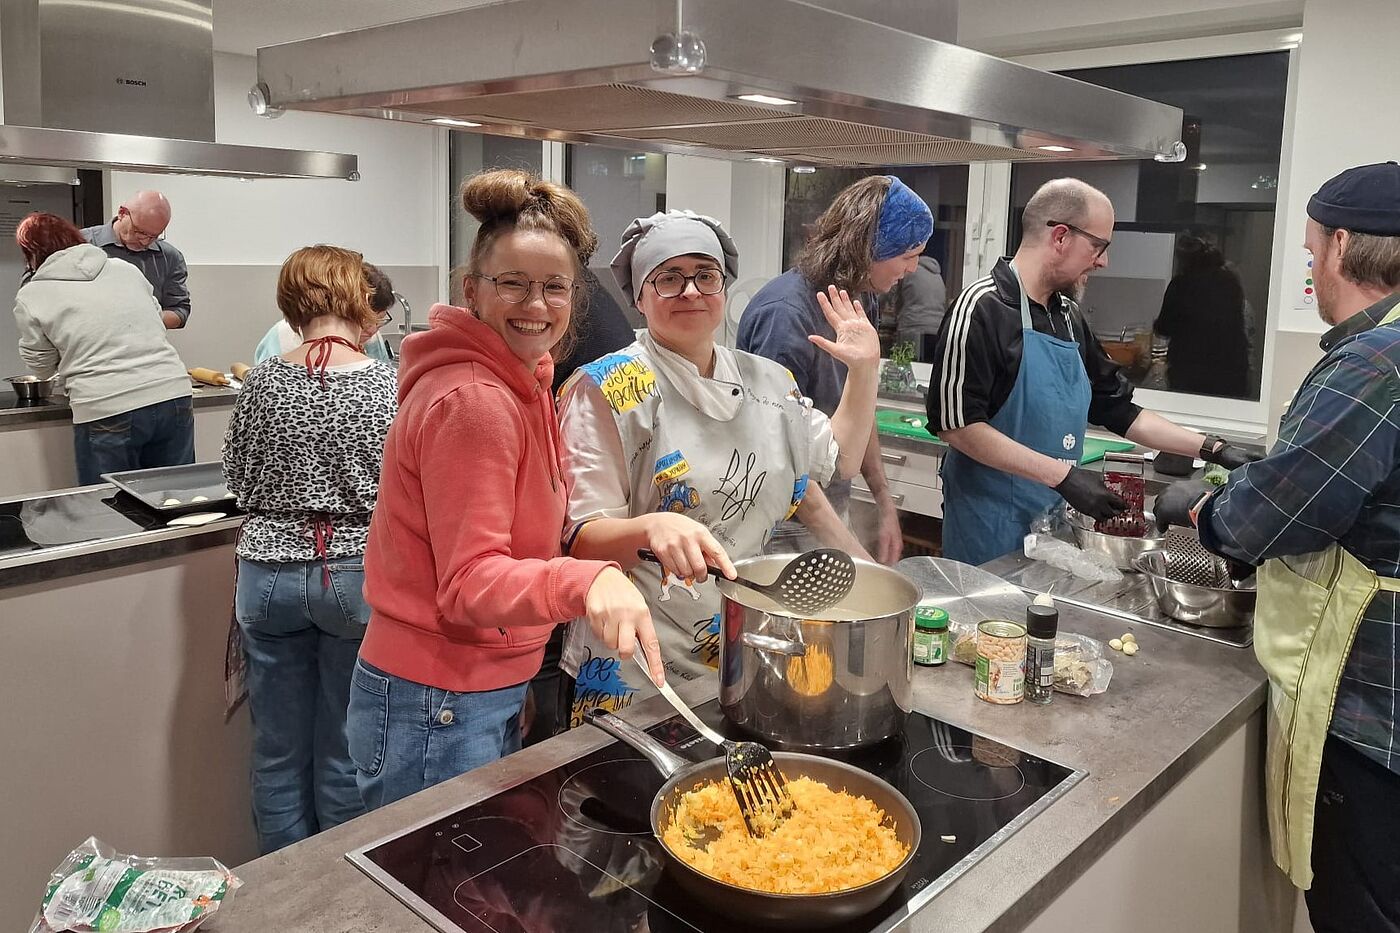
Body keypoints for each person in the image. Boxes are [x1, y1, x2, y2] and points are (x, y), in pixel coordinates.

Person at [348, 169, 659, 810]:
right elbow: (469, 584)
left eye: (554, 287)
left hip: (466, 685)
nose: (536, 306)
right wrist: (588, 580)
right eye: (512, 284)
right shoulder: (476, 400)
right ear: (473, 290)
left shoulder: (525, 381)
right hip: (435, 697)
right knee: (435, 901)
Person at [1155, 162, 1400, 933]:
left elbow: (1276, 516)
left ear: (1343, 245)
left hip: (1370, 703)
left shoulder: (1375, 362)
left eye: (1309, 252)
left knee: (1361, 908)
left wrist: (1201, 508)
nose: (1310, 270)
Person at [557, 209, 879, 716]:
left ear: (723, 288)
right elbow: (579, 537)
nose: (690, 291)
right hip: (635, 654)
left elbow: (838, 460)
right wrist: (652, 527)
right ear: (640, 297)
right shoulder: (610, 388)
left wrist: (864, 373)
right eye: (668, 278)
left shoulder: (770, 382)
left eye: (705, 275)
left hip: (740, 634)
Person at [924, 178, 1256, 566]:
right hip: (988, 520)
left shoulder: (1068, 317)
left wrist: (1213, 448)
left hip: (1050, 519)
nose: (1103, 261)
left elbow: (1117, 409)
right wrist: (1063, 477)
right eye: (1098, 246)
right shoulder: (982, 308)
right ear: (1061, 236)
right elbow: (957, 426)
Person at [221, 245, 397, 853]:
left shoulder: (263, 378)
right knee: (345, 747)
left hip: (266, 574)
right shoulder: (387, 384)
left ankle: (282, 893)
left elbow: (238, 479)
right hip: (355, 576)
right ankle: (336, 893)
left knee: (275, 750)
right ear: (357, 299)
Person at [738, 175, 933, 563]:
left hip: (831, 512)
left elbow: (861, 407)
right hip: (780, 525)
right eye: (909, 255)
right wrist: (857, 558)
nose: (914, 269)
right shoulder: (786, 317)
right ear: (872, 247)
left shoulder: (858, 302)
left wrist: (884, 502)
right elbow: (784, 464)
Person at [12, 212, 194, 485]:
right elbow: (156, 320)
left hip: (106, 404)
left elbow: (41, 366)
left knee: (108, 510)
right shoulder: (125, 269)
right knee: (178, 497)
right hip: (172, 394)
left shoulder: (32, 294)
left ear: (31, 252)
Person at [1153, 235, 1250, 397]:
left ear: (1184, 260)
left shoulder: (1181, 284)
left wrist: (1155, 325)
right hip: (1231, 370)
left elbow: (1164, 327)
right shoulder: (1229, 280)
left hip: (1190, 370)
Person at [82, 190, 190, 329]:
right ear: (122, 213)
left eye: (154, 236)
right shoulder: (80, 244)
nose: (145, 242)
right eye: (139, 232)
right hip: (89, 345)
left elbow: (180, 311)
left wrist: (144, 318)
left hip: (146, 347)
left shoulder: (170, 257)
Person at [254, 262, 397, 364]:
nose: (372, 330)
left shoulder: (373, 342)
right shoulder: (283, 337)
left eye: (379, 321)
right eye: (366, 320)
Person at [891, 253, 947, 360]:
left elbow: (893, 295)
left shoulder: (909, 271)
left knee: (905, 364)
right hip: (937, 329)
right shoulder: (938, 276)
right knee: (928, 369)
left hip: (912, 326)